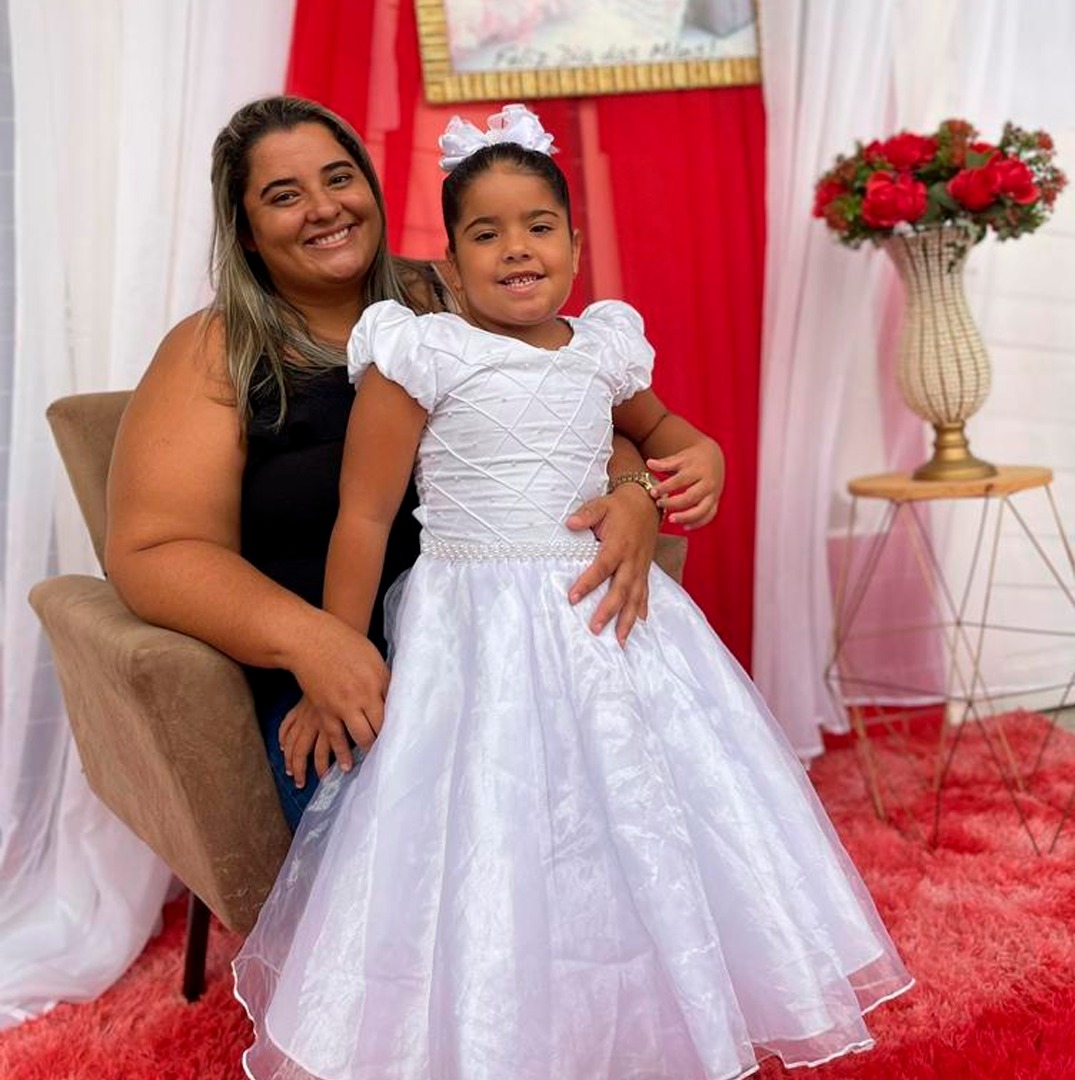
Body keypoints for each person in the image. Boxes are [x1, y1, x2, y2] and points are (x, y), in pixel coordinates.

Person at [232, 105, 912, 1080]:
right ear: (450, 263)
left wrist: (697, 459)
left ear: (575, 242)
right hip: (474, 628)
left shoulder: (602, 347)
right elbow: (364, 518)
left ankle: (638, 1025)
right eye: (486, 232)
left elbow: (668, 433)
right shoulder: (422, 351)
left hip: (609, 619)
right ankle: (491, 1032)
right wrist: (338, 656)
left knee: (639, 815)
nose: (517, 248)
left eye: (539, 225)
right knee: (490, 829)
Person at [104, 96, 721, 830]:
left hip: (528, 651)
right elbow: (152, 551)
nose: (324, 208)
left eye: (340, 178)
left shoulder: (455, 292)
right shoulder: (216, 348)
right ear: (244, 233)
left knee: (652, 807)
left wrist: (632, 491)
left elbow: (574, 404)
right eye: (283, 195)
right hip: (347, 681)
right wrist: (318, 643)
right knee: (439, 852)